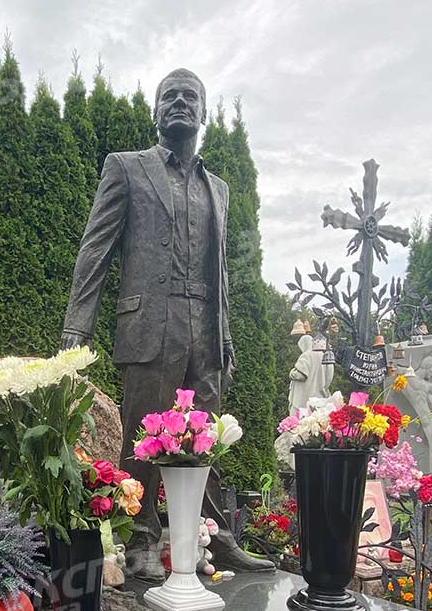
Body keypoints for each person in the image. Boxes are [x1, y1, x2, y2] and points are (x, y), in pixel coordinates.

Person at [59, 67, 273, 582]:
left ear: (203, 113)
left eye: (190, 97)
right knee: (144, 433)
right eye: (169, 96)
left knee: (206, 436)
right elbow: (96, 248)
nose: (180, 102)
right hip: (151, 322)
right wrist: (77, 326)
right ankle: (140, 536)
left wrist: (224, 337)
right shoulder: (126, 168)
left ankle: (212, 536)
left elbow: (220, 271)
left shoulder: (218, 189)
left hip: (206, 326)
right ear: (156, 112)